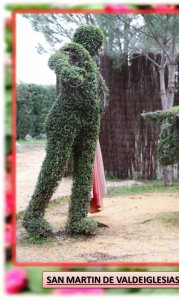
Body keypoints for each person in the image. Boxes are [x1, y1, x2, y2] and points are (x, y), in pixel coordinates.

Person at [23, 25, 106, 238]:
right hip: (65, 118)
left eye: (97, 44)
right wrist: (68, 72)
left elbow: (102, 91)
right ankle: (33, 215)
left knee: (84, 171)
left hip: (89, 124)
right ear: (81, 38)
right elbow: (55, 59)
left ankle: (77, 219)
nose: (94, 46)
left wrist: (101, 105)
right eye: (92, 41)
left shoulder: (93, 67)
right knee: (55, 166)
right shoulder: (73, 50)